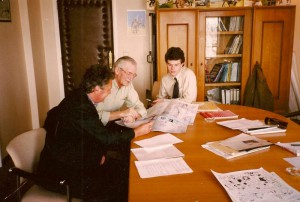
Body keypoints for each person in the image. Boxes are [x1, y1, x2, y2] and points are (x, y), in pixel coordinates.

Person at [37, 64, 153, 201]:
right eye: (109, 90)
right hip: (61, 172)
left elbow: (93, 133)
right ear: (96, 89)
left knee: (124, 171)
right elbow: (106, 138)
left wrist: (99, 154)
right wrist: (136, 132)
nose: (110, 92)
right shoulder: (80, 107)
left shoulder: (80, 95)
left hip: (75, 157)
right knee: (119, 185)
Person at [97, 56, 147, 125]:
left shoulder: (128, 85)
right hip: (96, 126)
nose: (131, 78)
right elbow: (95, 116)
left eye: (134, 75)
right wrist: (122, 113)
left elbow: (139, 107)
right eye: (129, 73)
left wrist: (134, 117)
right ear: (117, 70)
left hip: (113, 125)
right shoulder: (104, 83)